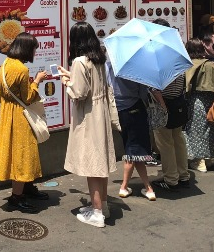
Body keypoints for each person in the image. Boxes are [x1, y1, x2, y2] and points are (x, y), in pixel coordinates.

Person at [58, 22, 116, 228]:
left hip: (89, 116)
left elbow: (79, 93)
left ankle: (97, 213)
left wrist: (66, 82)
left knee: (92, 165)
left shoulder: (80, 62)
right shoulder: (99, 59)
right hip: (101, 113)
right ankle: (104, 205)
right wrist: (70, 76)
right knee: (101, 164)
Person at [0, 32, 49, 214]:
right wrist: (38, 81)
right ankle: (16, 197)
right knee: (23, 154)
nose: (35, 53)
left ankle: (27, 187)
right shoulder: (22, 70)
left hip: (8, 113)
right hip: (20, 116)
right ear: (27, 49)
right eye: (34, 49)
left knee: (17, 152)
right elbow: (27, 97)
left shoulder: (6, 64)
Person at [107, 62, 158, 202]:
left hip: (118, 111)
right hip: (135, 108)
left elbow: (108, 86)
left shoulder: (109, 65)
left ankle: (144, 187)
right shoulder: (135, 66)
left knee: (133, 148)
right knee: (134, 149)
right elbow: (142, 91)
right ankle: (134, 187)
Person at [149, 19, 190, 191]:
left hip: (164, 103)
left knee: (165, 143)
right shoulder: (176, 50)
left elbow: (156, 86)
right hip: (178, 101)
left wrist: (160, 104)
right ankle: (183, 174)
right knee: (178, 140)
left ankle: (171, 178)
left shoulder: (156, 53)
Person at [184, 38, 214, 173]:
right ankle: (209, 158)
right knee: (209, 128)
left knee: (195, 131)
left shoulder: (187, 64)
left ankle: (198, 160)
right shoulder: (210, 65)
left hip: (193, 101)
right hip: (210, 101)